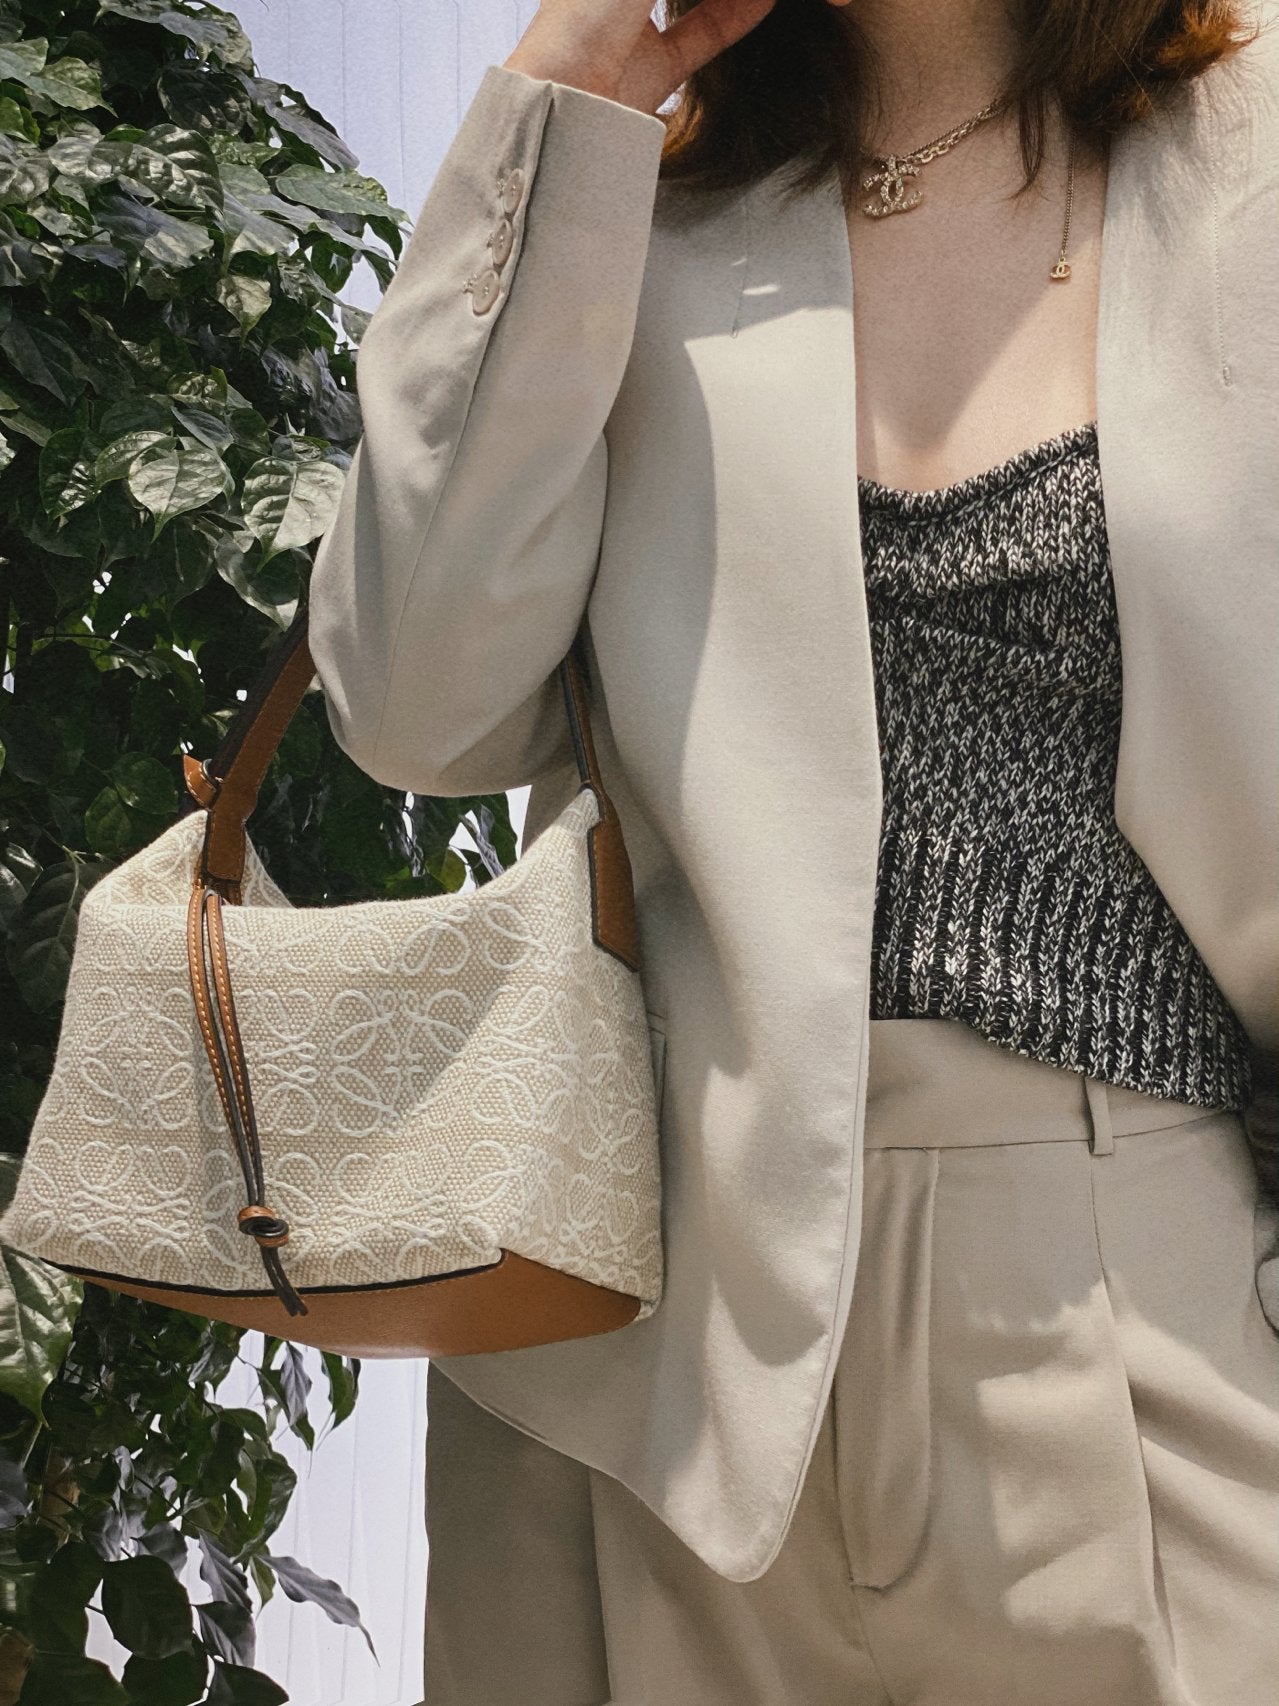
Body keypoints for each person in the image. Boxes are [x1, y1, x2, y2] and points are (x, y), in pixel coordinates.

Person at [306, 0, 1279, 1700]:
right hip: (655, 1355)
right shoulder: (634, 185)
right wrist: (563, 99)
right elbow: (410, 700)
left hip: (1155, 1285)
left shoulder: (1246, 141)